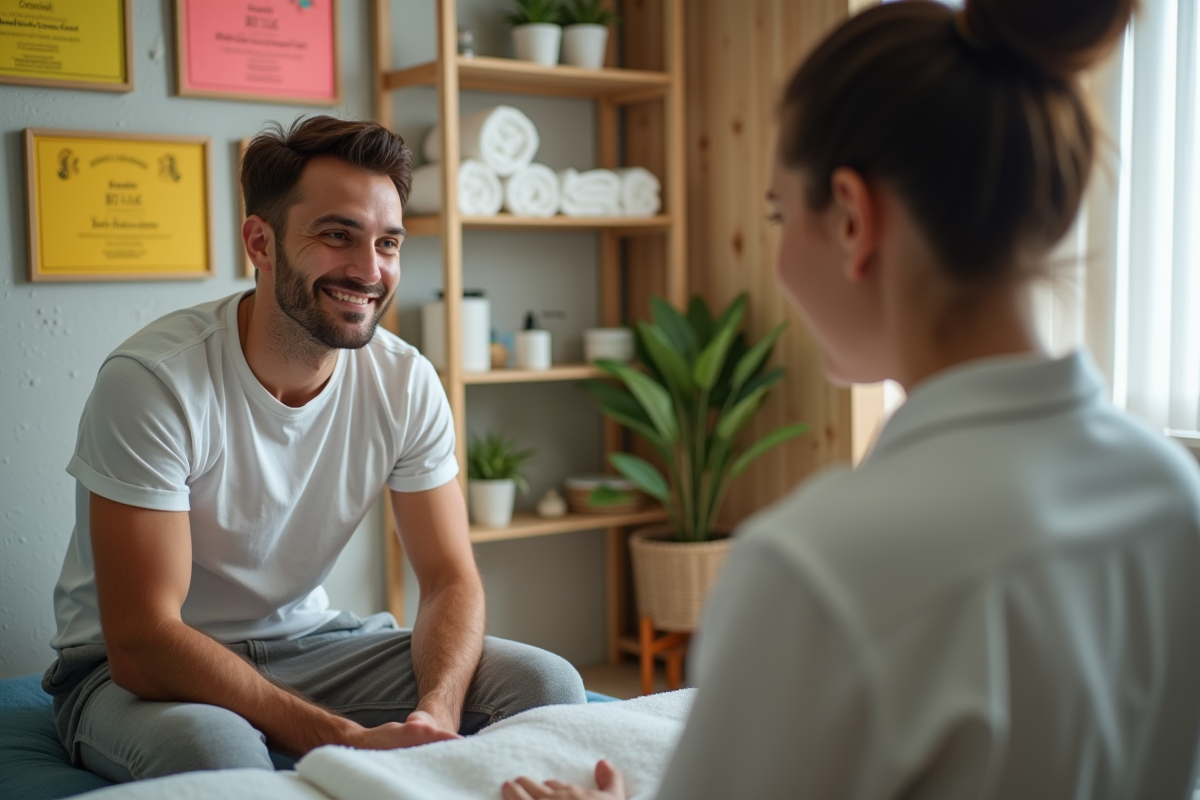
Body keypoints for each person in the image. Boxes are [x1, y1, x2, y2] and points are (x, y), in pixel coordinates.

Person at [503, 0, 1200, 798]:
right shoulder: (1172, 493)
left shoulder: (818, 566)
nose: (777, 259)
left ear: (851, 219)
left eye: (777, 214)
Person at [42, 115, 586, 784]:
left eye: (388, 243)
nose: (369, 270)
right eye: (337, 235)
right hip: (137, 671)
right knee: (216, 754)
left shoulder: (405, 379)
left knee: (543, 681)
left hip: (312, 644)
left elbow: (450, 578)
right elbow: (142, 641)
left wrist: (435, 719)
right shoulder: (155, 382)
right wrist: (343, 739)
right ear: (259, 241)